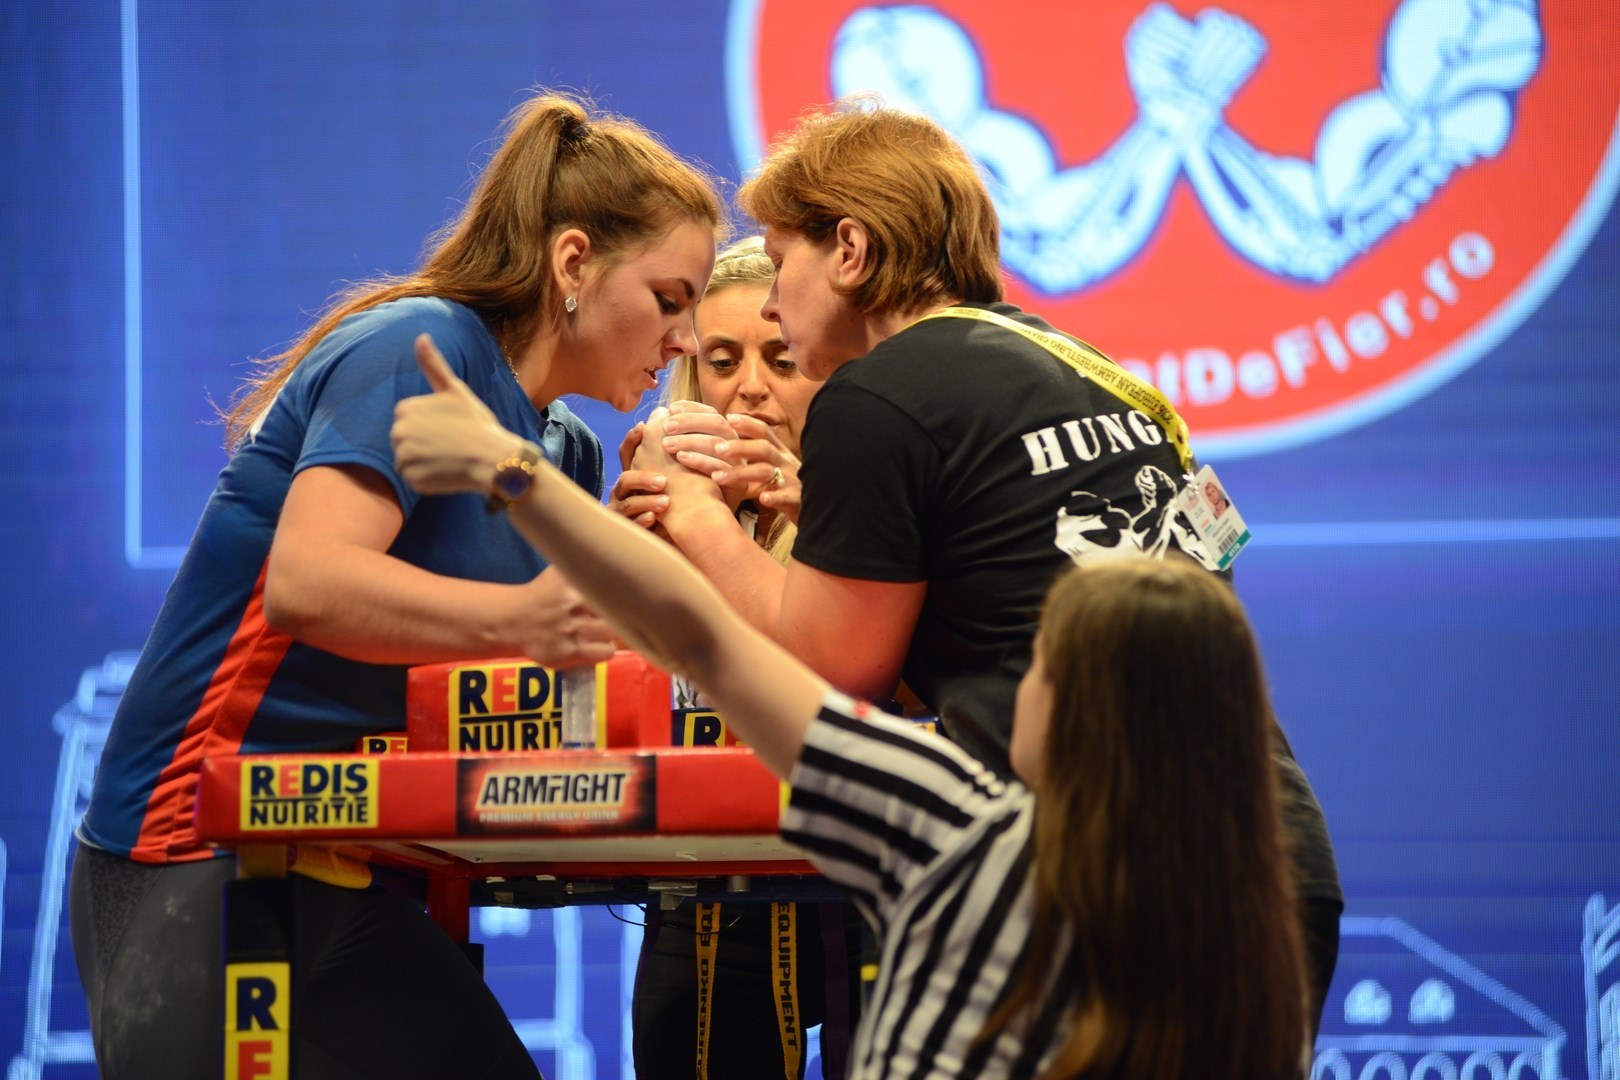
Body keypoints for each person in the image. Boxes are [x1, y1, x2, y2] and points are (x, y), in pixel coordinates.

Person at [392, 334, 1314, 1078]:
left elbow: (701, 640)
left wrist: (515, 470)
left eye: (1038, 663)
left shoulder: (961, 824)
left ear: (1079, 710)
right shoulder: (1250, 959)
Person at [631, 97, 1345, 1037]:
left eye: (782, 257)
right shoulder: (1101, 373)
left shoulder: (875, 395)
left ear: (850, 251)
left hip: (1097, 872)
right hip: (1275, 860)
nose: (770, 299)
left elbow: (829, 675)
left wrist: (692, 514)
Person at [69, 91, 723, 1080]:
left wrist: (649, 558)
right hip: (201, 847)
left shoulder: (563, 448)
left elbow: (524, 694)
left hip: (356, 862)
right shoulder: (419, 348)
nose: (685, 341)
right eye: (670, 300)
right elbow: (309, 584)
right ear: (573, 263)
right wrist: (532, 616)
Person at [609, 237, 862, 1079]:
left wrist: (814, 510)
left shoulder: (877, 489)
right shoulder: (666, 496)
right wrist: (620, 558)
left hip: (867, 865)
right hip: (709, 875)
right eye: (721, 361)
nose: (749, 386)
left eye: (780, 359)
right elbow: (602, 702)